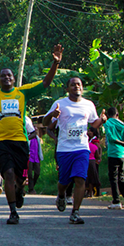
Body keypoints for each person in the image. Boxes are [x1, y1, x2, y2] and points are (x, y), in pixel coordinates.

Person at [0, 44, 63, 225]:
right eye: (2, 76)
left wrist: (55, 63)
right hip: (2, 142)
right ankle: (13, 211)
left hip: (21, 142)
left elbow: (45, 83)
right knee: (7, 173)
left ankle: (19, 189)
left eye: (9, 75)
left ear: (14, 79)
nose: (6, 78)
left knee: (21, 177)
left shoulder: (22, 93)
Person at [43, 77, 107, 224]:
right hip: (64, 149)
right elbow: (46, 123)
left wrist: (102, 120)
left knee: (80, 178)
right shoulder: (60, 104)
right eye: (73, 85)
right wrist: (52, 115)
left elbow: (93, 123)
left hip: (82, 148)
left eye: (79, 84)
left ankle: (75, 212)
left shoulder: (88, 105)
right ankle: (61, 195)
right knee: (64, 181)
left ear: (82, 88)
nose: (76, 87)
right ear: (67, 89)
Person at [103, 107, 124, 209]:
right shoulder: (122, 125)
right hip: (122, 154)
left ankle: (116, 201)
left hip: (113, 153)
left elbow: (111, 138)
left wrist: (119, 143)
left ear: (108, 115)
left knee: (113, 177)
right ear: (117, 115)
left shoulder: (108, 123)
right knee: (120, 176)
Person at [27, 117, 42, 195]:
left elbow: (39, 149)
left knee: (37, 172)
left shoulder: (37, 139)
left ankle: (32, 186)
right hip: (29, 157)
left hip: (36, 157)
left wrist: (40, 157)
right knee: (29, 174)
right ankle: (31, 189)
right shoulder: (28, 137)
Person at [86, 127, 101, 197]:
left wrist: (98, 157)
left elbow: (98, 148)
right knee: (92, 177)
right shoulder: (92, 141)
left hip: (92, 160)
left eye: (90, 131)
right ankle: (90, 192)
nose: (88, 133)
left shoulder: (94, 141)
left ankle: (95, 192)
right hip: (92, 160)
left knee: (92, 177)